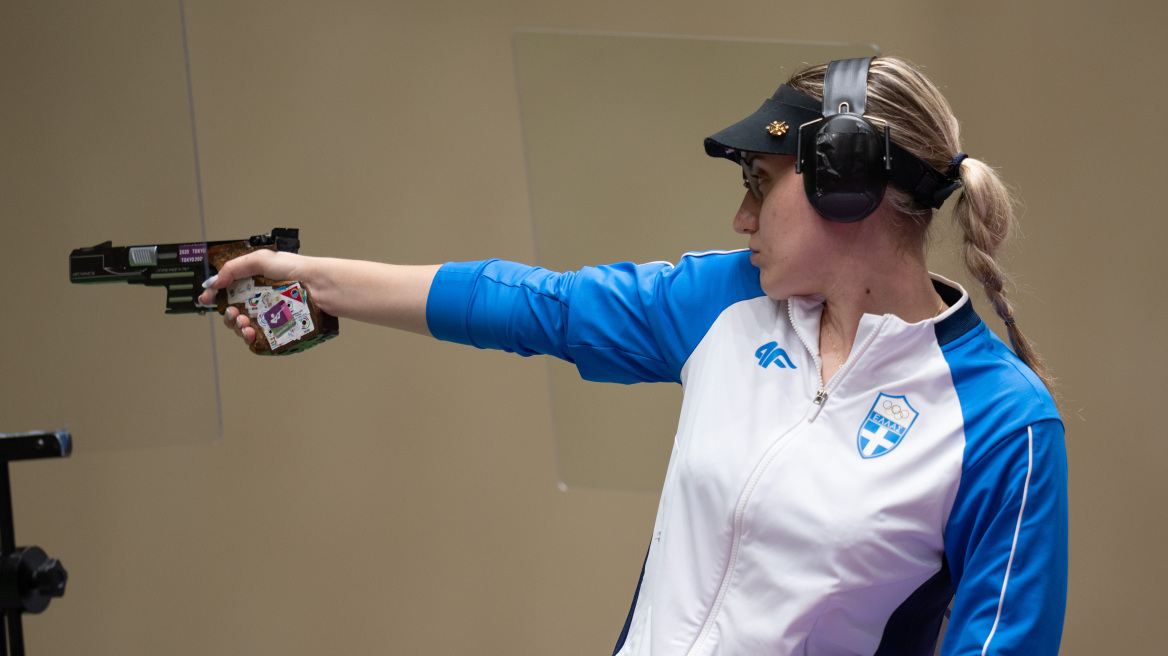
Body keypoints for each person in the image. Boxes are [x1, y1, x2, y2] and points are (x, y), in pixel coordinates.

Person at [200, 57, 1067, 656]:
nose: (741, 218)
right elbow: (529, 304)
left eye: (758, 184)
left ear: (847, 184)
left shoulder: (1004, 425)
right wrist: (312, 280)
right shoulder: (723, 301)